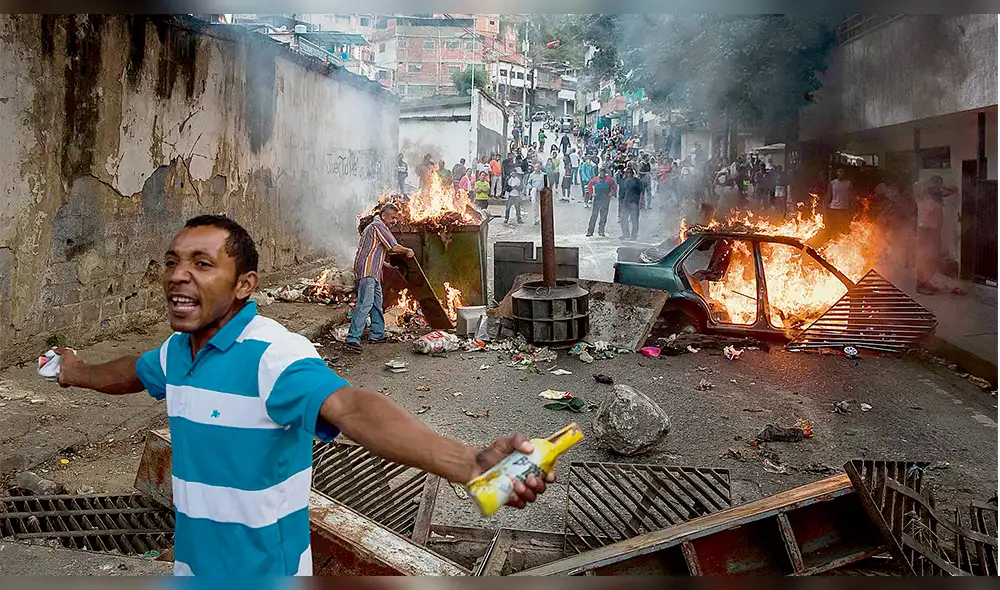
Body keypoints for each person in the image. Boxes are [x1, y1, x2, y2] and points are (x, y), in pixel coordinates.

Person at [51, 214, 551, 576]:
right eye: (172, 262)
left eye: (203, 264)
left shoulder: (274, 355)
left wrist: (467, 463)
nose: (178, 275)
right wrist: (74, 370)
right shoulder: (176, 354)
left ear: (245, 284)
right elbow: (134, 372)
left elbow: (352, 405)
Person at [913, 175, 958, 295]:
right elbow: (916, 185)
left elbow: (954, 189)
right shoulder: (923, 196)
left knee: (932, 259)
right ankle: (921, 285)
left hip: (934, 231)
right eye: (936, 184)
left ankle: (926, 282)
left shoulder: (937, 196)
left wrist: (939, 187)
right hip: (926, 231)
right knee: (925, 258)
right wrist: (931, 186)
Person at [586, 168, 617, 237]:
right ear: (599, 172)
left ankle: (601, 231)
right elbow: (589, 186)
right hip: (597, 199)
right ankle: (590, 231)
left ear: (605, 173)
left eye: (603, 172)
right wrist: (591, 193)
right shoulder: (595, 179)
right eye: (601, 172)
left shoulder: (609, 180)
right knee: (594, 216)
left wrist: (611, 193)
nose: (602, 174)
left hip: (605, 199)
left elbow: (614, 187)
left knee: (603, 216)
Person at [825, 168, 853, 239]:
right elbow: (829, 195)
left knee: (843, 227)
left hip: (844, 209)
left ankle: (842, 242)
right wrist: (826, 207)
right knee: (834, 227)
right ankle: (834, 241)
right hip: (834, 209)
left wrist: (851, 207)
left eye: (843, 172)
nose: (841, 173)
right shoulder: (832, 183)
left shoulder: (848, 183)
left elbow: (851, 196)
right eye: (839, 171)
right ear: (837, 173)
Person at [618, 167, 643, 241]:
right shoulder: (624, 181)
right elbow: (621, 192)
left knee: (634, 219)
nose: (628, 174)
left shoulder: (637, 181)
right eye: (626, 172)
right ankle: (625, 234)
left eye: (629, 172)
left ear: (632, 173)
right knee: (623, 219)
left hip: (634, 202)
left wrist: (641, 202)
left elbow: (641, 191)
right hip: (625, 202)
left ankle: (633, 235)